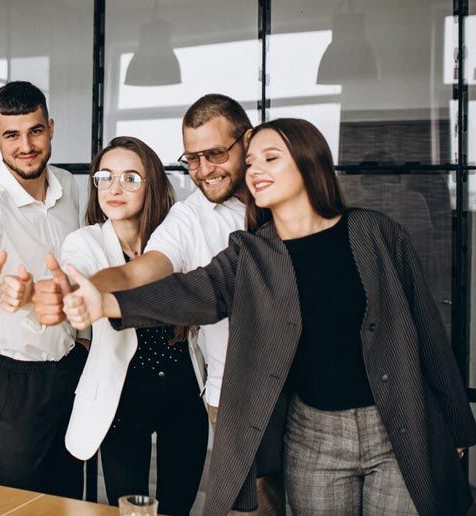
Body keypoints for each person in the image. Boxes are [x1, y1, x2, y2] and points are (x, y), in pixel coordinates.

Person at [62, 118, 476, 516]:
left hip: (397, 424)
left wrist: (458, 426)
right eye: (252, 161)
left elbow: (427, 329)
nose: (254, 169)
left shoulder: (374, 233)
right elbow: (193, 291)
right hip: (314, 437)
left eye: (270, 158)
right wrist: (108, 302)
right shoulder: (252, 252)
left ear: (309, 161)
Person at [33, 94, 287, 513]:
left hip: (233, 387)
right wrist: (88, 291)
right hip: (223, 394)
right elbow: (139, 273)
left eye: (216, 153)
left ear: (247, 142)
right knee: (255, 505)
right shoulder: (186, 219)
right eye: (193, 159)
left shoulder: (281, 200)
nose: (204, 169)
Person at [0, 81, 85, 498]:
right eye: (11, 135)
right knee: (13, 499)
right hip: (13, 378)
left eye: (35, 131)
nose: (25, 145)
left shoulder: (71, 186)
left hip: (70, 366)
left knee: (68, 496)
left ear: (51, 128)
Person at [58, 136, 207, 513]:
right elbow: (83, 279)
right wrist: (74, 293)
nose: (115, 188)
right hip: (121, 397)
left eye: (130, 178)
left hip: (183, 391)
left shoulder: (176, 236)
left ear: (152, 184)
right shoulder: (84, 242)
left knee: (177, 509)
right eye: (105, 177)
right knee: (127, 509)